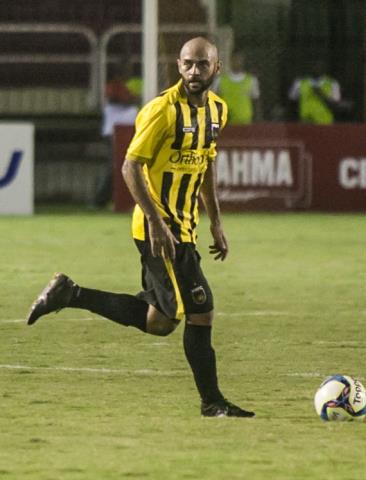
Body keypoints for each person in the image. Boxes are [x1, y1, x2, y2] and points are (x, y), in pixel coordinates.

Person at [26, 37, 254, 418]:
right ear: (178, 66)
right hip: (156, 229)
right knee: (200, 311)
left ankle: (70, 293)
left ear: (217, 68)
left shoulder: (217, 109)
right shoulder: (162, 111)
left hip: (185, 228)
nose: (194, 72)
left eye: (202, 65)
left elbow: (207, 164)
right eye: (187, 64)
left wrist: (215, 221)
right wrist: (155, 220)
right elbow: (130, 167)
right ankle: (212, 403)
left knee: (160, 321)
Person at [92, 61, 140, 208]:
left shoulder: (124, 87)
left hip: (127, 132)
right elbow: (119, 99)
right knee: (115, 167)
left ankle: (113, 200)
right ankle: (101, 200)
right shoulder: (113, 87)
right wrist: (132, 98)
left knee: (121, 166)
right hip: (114, 134)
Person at [216, 51, 261, 124]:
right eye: (235, 59)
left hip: (245, 122)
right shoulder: (220, 80)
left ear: (243, 61)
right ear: (230, 61)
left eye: (239, 60)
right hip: (226, 123)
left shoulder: (251, 80)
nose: (237, 62)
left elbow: (256, 101)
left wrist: (257, 120)